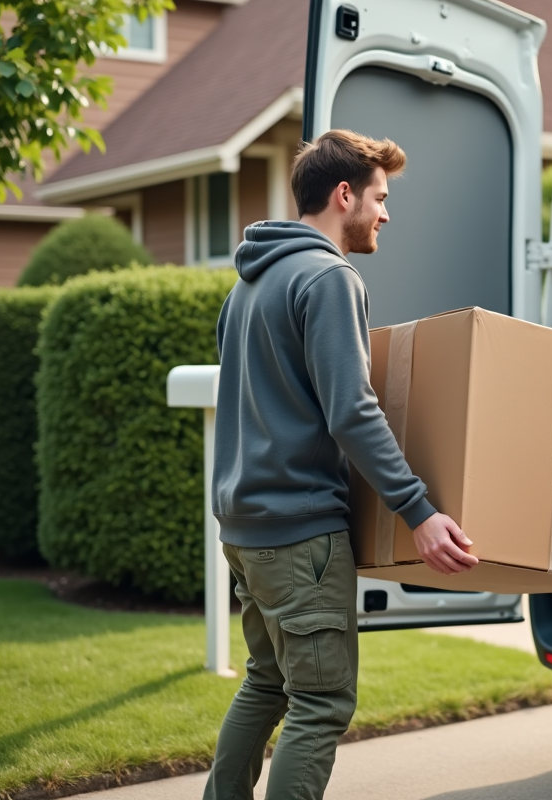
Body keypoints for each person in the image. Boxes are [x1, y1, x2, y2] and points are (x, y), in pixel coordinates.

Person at [203, 129, 477, 800]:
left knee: (268, 682)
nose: (386, 214)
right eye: (380, 198)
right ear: (344, 194)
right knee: (320, 704)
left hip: (244, 530)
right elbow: (351, 410)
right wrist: (419, 510)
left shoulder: (247, 284)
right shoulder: (328, 277)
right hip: (299, 535)